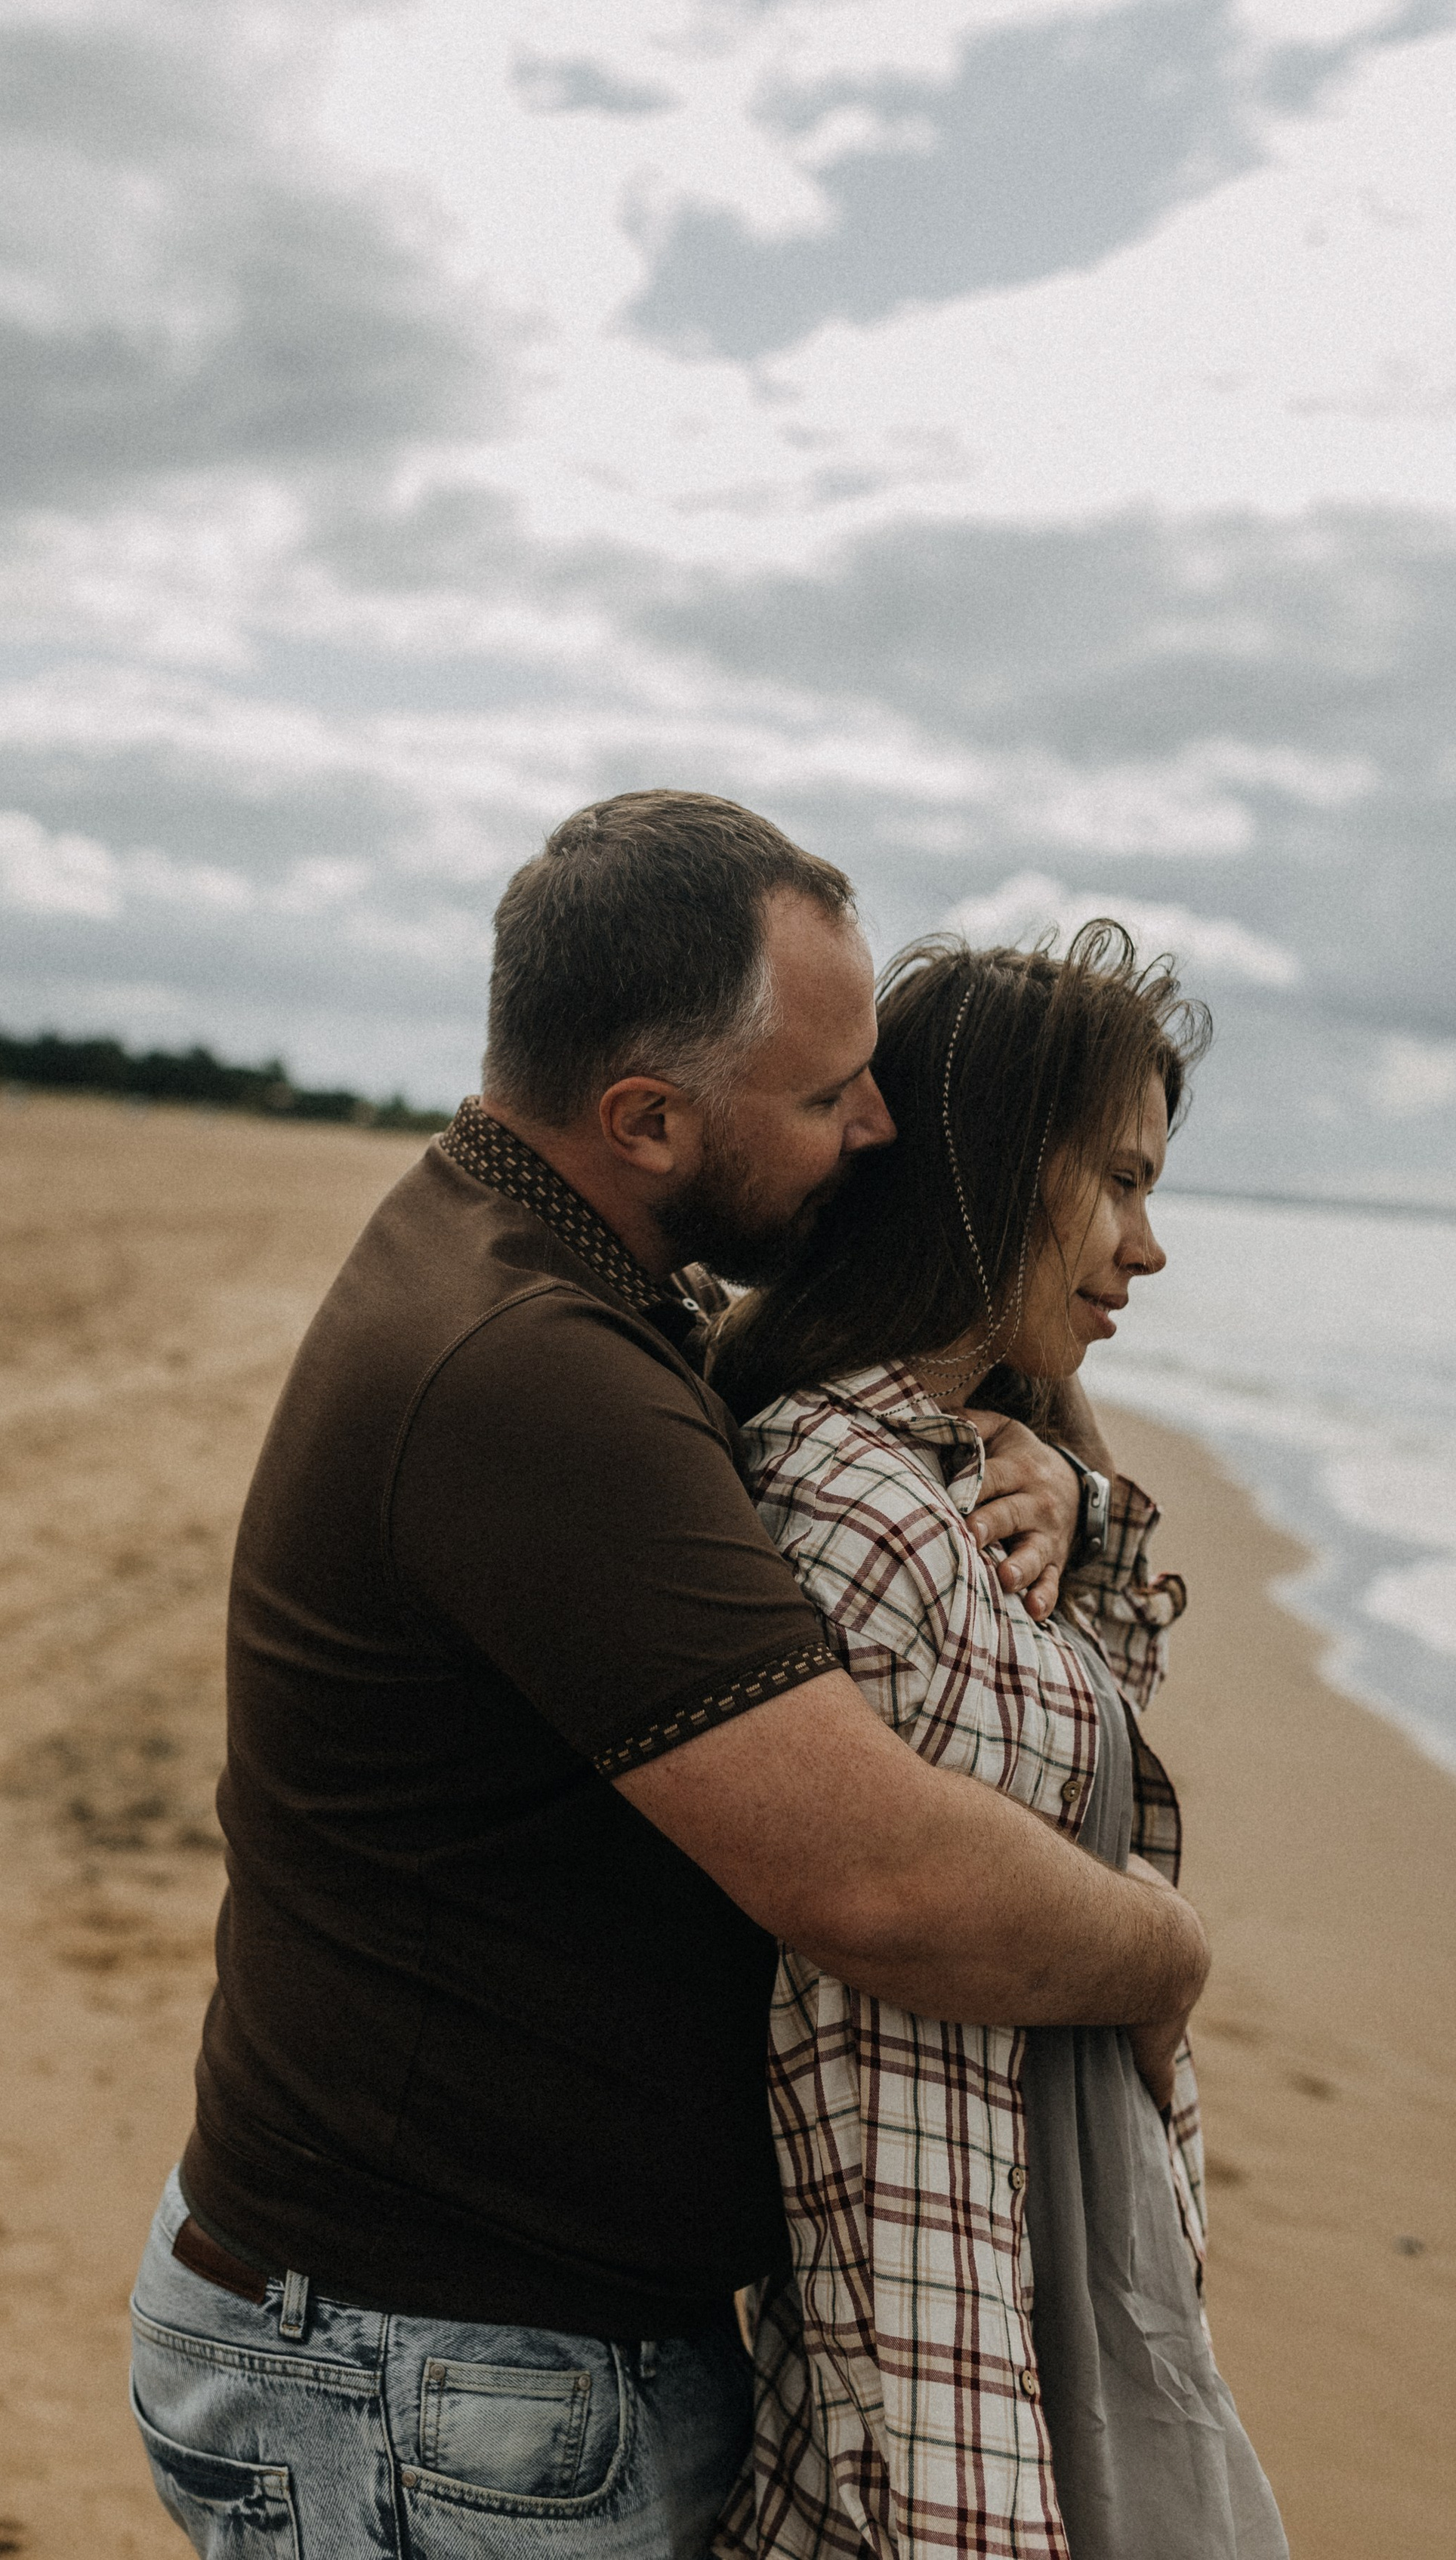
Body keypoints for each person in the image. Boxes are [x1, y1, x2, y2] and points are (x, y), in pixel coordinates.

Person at [128, 794, 1211, 2560]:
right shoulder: (531, 1372)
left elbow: (866, 1378)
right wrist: (1163, 1953)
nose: (877, 1130)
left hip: (443, 2344)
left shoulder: (570, 1277)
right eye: (822, 1097)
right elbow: (875, 1878)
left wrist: (1063, 1467)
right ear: (642, 1118)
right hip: (432, 2369)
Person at [708, 925, 1285, 2560]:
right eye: (1115, 1180)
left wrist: (1064, 1466)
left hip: (1046, 2278)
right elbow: (896, 1986)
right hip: (942, 2352)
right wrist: (1164, 1958)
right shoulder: (850, 1504)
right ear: (982, 1171)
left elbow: (1076, 1730)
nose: (1146, 1247)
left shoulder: (942, 1469)